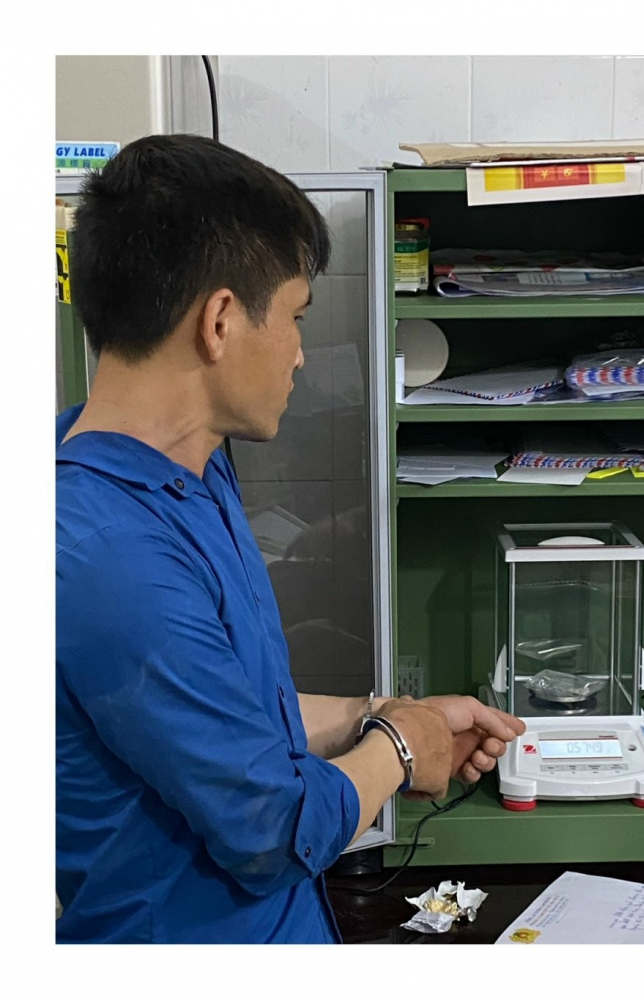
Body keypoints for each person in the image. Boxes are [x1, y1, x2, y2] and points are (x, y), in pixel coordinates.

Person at [55, 135, 525, 943]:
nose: (302, 355)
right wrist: (399, 747)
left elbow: (229, 718)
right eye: (297, 317)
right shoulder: (105, 556)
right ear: (220, 322)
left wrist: (373, 712)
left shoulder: (191, 470)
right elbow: (272, 830)